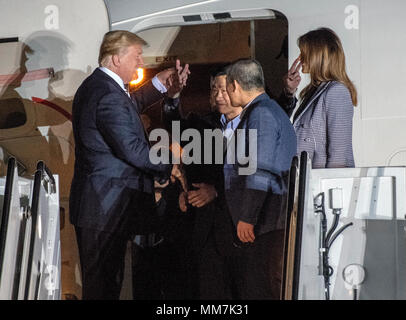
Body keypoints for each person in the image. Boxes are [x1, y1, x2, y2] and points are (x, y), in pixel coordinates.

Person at [69, 30, 189, 300]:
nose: (140, 64)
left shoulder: (100, 87)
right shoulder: (107, 95)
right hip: (105, 208)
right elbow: (134, 151)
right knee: (104, 287)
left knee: (106, 283)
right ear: (115, 58)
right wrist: (171, 165)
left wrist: (159, 84)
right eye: (136, 57)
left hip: (102, 208)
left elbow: (129, 105)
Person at [225, 59, 297, 299]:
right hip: (270, 216)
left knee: (262, 288)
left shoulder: (261, 113)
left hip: (267, 219)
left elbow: (260, 168)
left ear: (234, 85)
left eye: (226, 87)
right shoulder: (269, 110)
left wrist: (247, 216)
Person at [278, 27, 357, 168]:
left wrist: (329, 188)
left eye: (304, 53)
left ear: (318, 55)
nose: (300, 59)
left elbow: (339, 155)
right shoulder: (314, 92)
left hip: (319, 185)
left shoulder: (336, 92)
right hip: (305, 181)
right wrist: (289, 91)